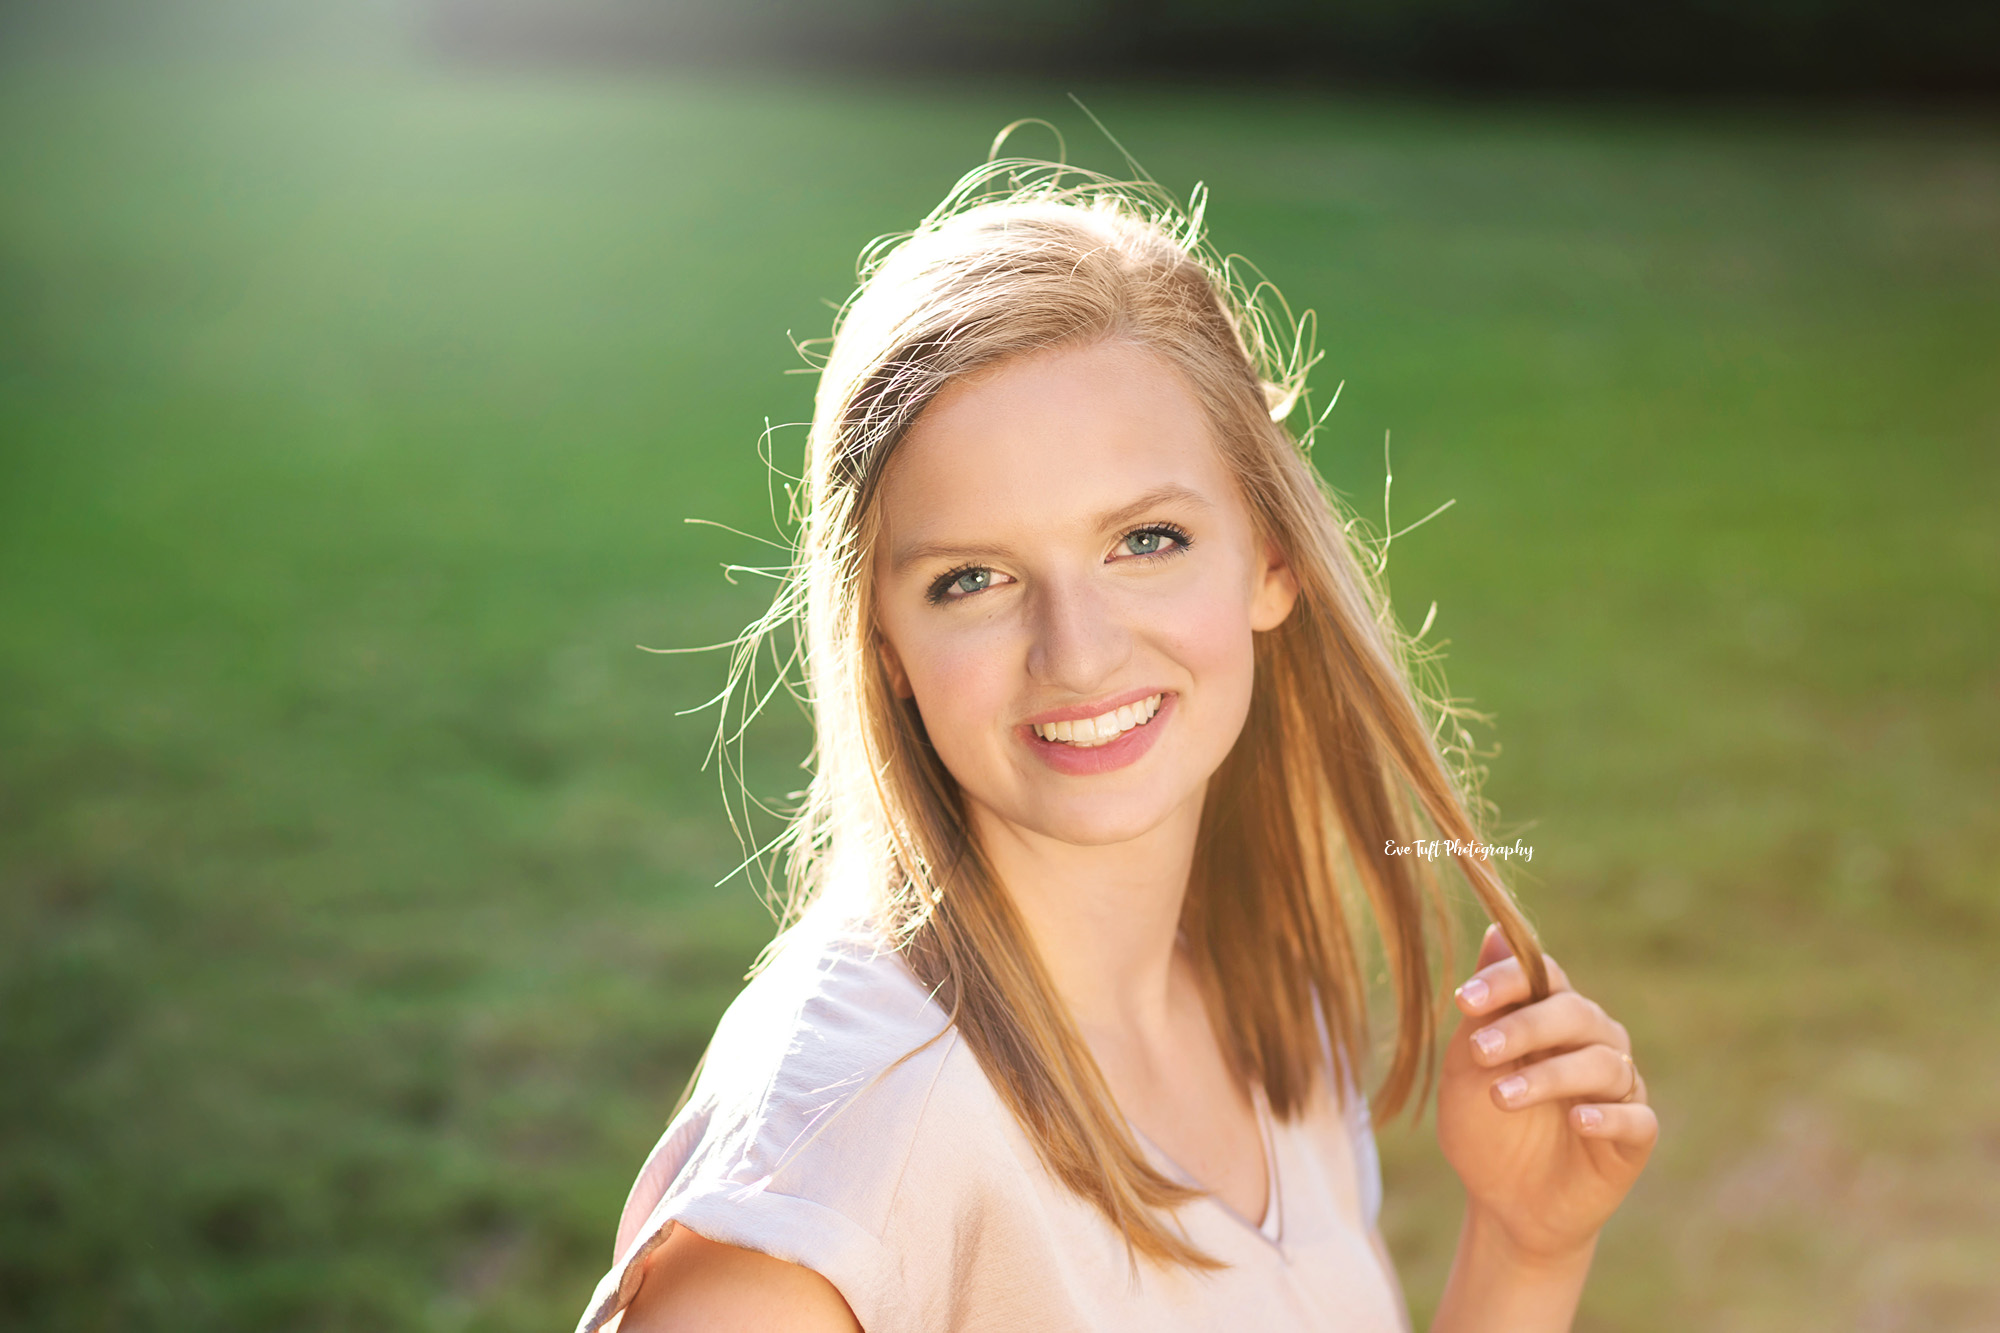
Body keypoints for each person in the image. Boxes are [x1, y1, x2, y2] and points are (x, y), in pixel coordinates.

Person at [575, 149, 1655, 1333]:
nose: (1076, 653)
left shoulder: (1264, 1008)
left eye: (1143, 540)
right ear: (882, 641)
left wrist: (1523, 1245)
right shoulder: (850, 1138)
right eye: (971, 577)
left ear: (1270, 557)